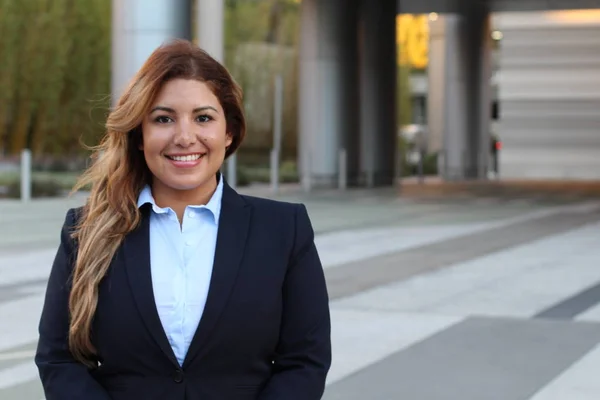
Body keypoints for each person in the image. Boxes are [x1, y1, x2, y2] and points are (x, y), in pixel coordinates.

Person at [35, 39, 331, 400]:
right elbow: (59, 360)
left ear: (229, 131)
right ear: (139, 136)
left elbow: (304, 361)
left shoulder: (285, 229)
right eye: (163, 119)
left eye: (203, 118)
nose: (185, 137)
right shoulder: (85, 231)